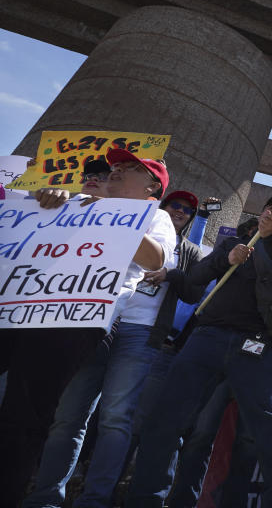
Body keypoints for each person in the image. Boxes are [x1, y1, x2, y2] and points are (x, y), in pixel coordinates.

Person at [11, 149, 176, 508]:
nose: (116, 170)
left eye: (130, 169)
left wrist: (110, 216)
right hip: (26, 310)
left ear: (152, 189)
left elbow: (155, 259)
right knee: (37, 411)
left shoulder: (157, 217)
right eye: (116, 166)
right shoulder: (76, 202)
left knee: (31, 414)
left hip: (82, 323)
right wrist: (54, 200)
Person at [125, 194, 272, 507]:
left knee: (269, 433)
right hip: (208, 337)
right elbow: (194, 281)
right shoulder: (232, 244)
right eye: (271, 207)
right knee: (167, 420)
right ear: (260, 213)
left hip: (260, 347)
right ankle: (146, 499)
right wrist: (226, 260)